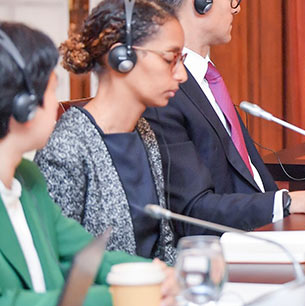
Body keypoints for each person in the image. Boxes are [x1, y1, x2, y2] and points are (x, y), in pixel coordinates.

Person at [139, 0, 305, 237]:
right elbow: (193, 211)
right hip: (225, 254)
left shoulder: (206, 78)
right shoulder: (164, 93)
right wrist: (293, 202)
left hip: (268, 234)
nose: (235, 7)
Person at [0, 21, 175, 304]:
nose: (58, 104)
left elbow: (88, 255)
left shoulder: (28, 179)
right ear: (24, 104)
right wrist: (119, 297)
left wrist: (157, 275)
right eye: (52, 91)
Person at [35, 0, 185, 264]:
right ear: (121, 57)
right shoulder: (67, 147)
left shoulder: (143, 132)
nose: (181, 74)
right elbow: (57, 264)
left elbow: (163, 248)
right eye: (170, 59)